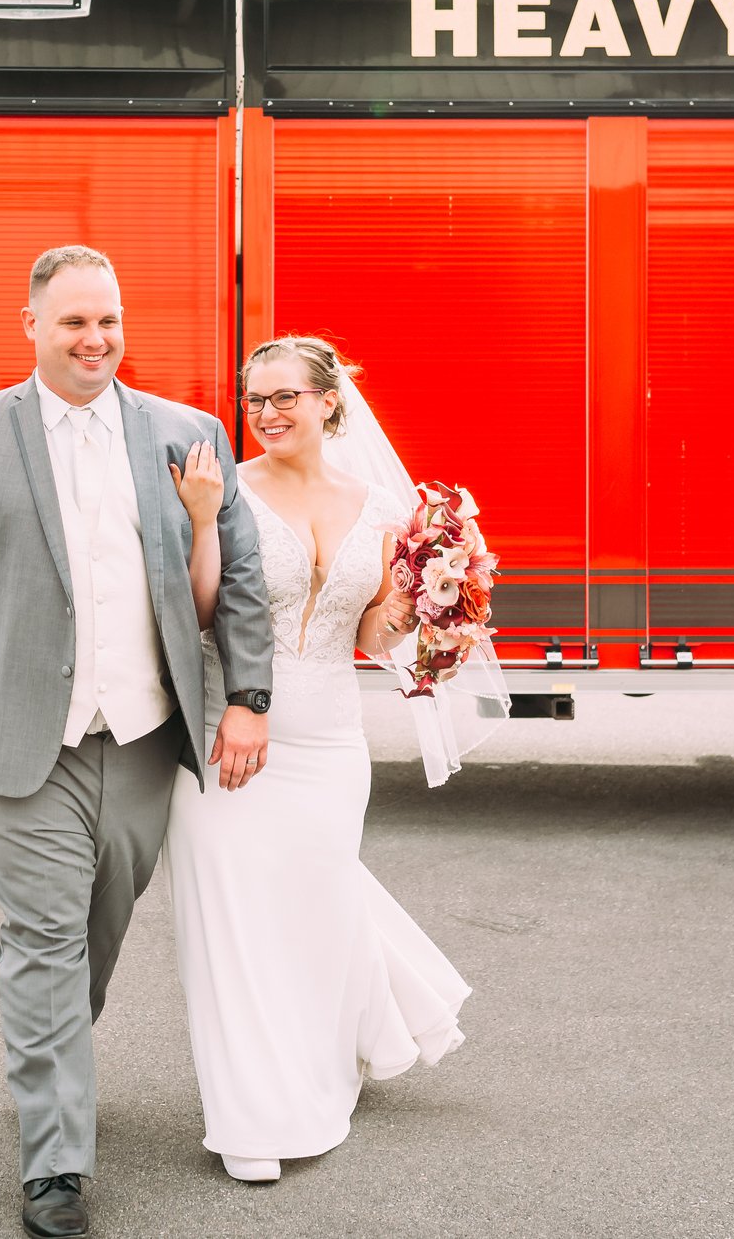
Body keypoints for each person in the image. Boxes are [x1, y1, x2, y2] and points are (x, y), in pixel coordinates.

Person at [0, 245, 276, 1239]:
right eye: (75, 321)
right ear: (30, 325)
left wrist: (246, 696)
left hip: (140, 733)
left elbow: (237, 576)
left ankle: (50, 1060)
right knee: (40, 938)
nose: (95, 339)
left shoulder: (185, 432)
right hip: (15, 735)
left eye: (110, 321)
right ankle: (55, 1166)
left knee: (96, 936)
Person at [163, 334, 476, 1183]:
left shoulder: (383, 507)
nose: (265, 414)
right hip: (228, 734)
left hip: (332, 742)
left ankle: (331, 1052)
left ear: (329, 400)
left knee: (311, 911)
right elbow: (193, 614)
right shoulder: (222, 490)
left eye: (284, 397)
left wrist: (421, 601)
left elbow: (372, 636)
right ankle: (253, 1114)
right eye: (253, 399)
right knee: (231, 927)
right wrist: (198, 519)